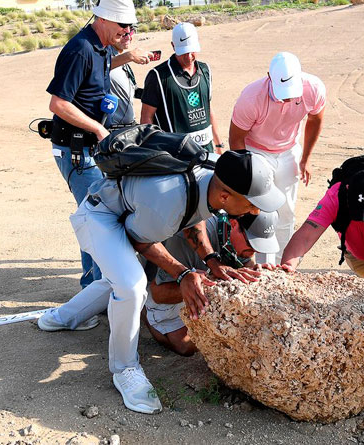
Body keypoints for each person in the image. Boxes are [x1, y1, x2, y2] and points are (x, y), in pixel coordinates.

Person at [37, 150, 285, 415]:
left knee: (123, 273)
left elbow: (196, 216)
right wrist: (183, 274)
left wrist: (212, 261)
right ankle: (124, 369)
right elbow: (141, 241)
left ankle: (61, 318)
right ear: (226, 197)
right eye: (251, 204)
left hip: (134, 210)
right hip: (102, 215)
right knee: (132, 285)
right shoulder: (169, 201)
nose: (255, 210)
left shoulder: (216, 173)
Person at [46, 0, 151, 289]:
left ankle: (97, 286)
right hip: (76, 150)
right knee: (95, 219)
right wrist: (98, 128)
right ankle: (91, 290)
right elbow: (58, 103)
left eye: (130, 26)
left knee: (96, 215)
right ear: (104, 19)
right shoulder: (80, 49)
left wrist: (127, 56)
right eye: (122, 26)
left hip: (90, 147)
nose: (126, 31)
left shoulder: (99, 46)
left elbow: (100, 68)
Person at [230, 52, 326, 264]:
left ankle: (281, 264)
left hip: (288, 150)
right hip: (256, 151)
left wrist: (306, 158)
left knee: (286, 212)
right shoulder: (251, 97)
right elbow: (236, 139)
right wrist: (247, 174)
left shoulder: (313, 88)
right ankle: (262, 264)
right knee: (260, 211)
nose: (288, 98)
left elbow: (316, 119)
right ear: (269, 77)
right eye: (283, 92)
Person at [142, 211, 279, 356]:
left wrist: (258, 274)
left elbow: (245, 265)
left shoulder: (236, 236)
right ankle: (143, 310)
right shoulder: (184, 238)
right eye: (252, 245)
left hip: (201, 279)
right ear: (234, 225)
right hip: (161, 285)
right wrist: (206, 283)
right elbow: (159, 294)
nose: (254, 251)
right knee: (187, 345)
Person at [140, 23, 223, 153]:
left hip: (207, 152)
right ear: (173, 46)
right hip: (176, 155)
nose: (189, 57)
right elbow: (146, 118)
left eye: (192, 50)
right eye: (184, 52)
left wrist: (218, 145)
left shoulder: (206, 70)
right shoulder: (157, 76)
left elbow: (208, 108)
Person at [107, 28, 139, 128]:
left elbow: (132, 91)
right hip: (111, 130)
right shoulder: (105, 56)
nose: (128, 37)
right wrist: (129, 56)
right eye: (124, 34)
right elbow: (99, 66)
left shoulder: (122, 60)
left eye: (131, 32)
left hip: (128, 128)